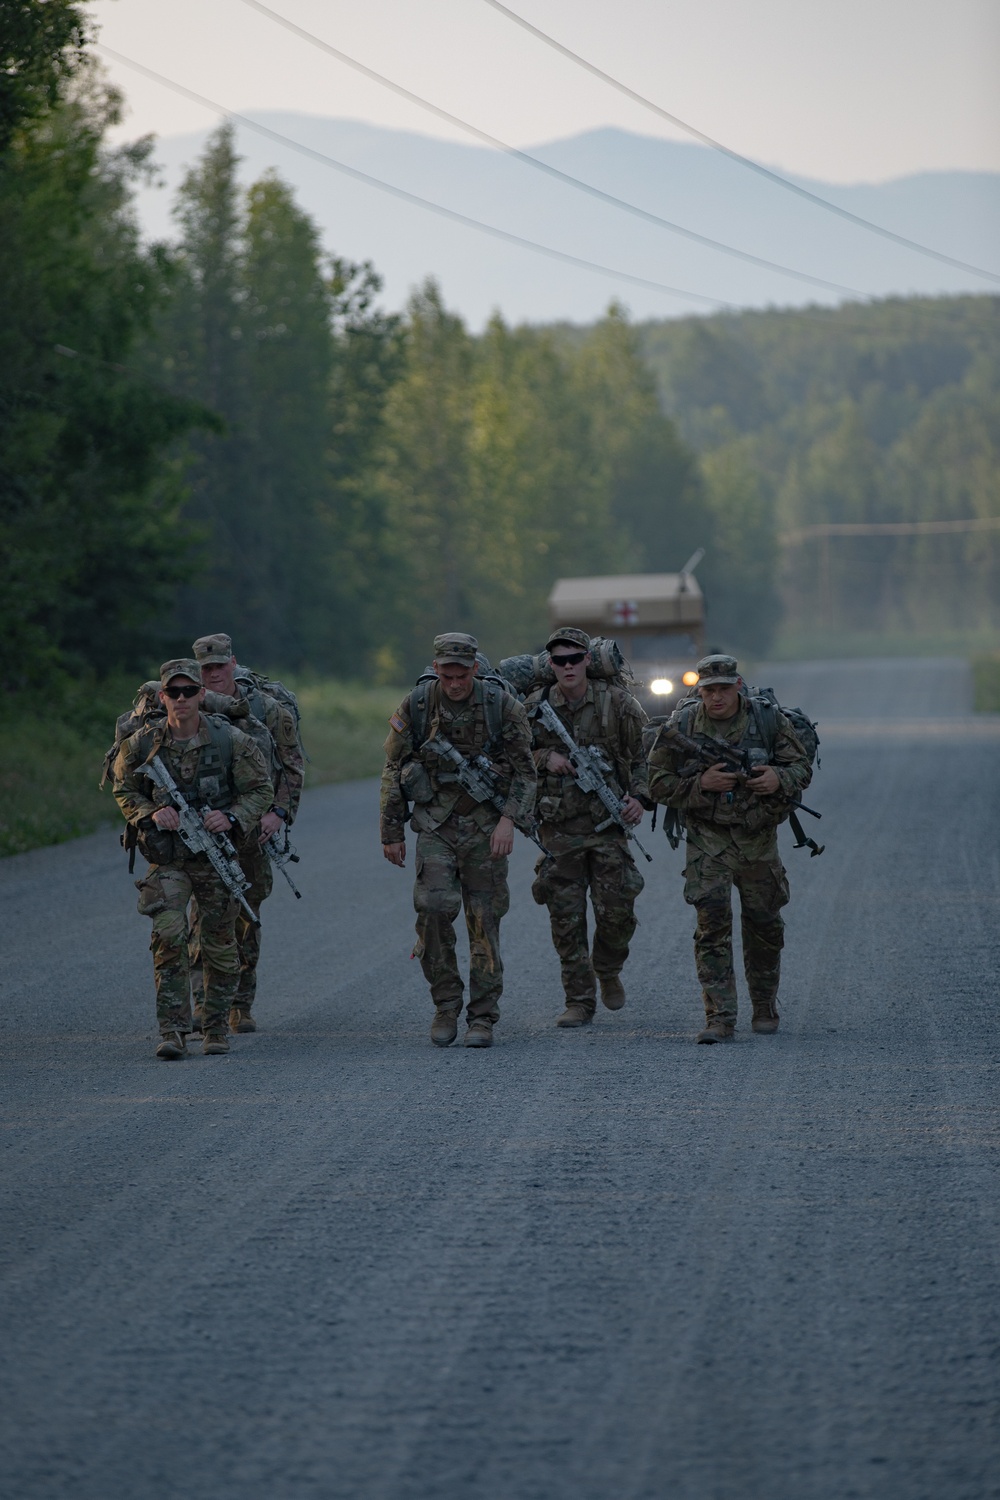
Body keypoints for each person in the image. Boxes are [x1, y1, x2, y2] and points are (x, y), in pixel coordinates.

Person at [380, 632, 536, 1049]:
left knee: (484, 923)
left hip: (486, 829)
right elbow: (394, 768)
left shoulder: (502, 706)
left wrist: (508, 820)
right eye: (445, 674)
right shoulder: (417, 704)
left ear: (476, 670)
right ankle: (446, 1005)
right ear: (436, 670)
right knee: (432, 910)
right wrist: (391, 831)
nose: (453, 682)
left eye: (461, 674)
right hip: (436, 825)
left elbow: (526, 773)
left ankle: (482, 1017)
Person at [646, 654, 812, 1043]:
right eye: (708, 691)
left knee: (764, 924)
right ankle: (719, 1016)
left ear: (738, 686)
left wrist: (778, 777)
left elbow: (801, 767)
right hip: (708, 840)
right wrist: (701, 785)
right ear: (698, 691)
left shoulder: (768, 721)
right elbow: (655, 783)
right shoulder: (682, 725)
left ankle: (764, 1004)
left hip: (757, 839)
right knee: (712, 926)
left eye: (723, 689)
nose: (716, 697)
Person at [112, 659, 273, 1059]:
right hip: (168, 858)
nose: (181, 700)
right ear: (162, 696)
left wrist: (231, 816)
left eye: (189, 692)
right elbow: (123, 788)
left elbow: (260, 788)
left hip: (215, 856)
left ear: (202, 694)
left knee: (219, 945)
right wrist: (150, 812)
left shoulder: (229, 739)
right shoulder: (144, 743)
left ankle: (215, 1026)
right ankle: (173, 1030)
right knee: (168, 935)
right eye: (173, 693)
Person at [525, 628, 649, 1028]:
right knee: (566, 918)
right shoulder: (535, 706)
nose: (567, 667)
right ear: (551, 665)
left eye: (574, 659)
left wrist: (640, 798)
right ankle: (578, 1000)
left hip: (607, 825)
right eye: (558, 661)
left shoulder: (618, 704)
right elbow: (510, 752)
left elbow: (647, 757)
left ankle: (608, 969)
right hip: (558, 828)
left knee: (617, 913)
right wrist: (546, 756)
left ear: (587, 662)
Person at [190, 633, 304, 1032]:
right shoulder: (185, 708)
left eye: (220, 666)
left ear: (233, 663)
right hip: (203, 831)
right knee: (201, 917)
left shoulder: (266, 710)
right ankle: (205, 1005)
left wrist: (278, 813)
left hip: (254, 829)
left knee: (246, 914)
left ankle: (241, 1002)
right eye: (206, 669)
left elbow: (292, 767)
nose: (214, 674)